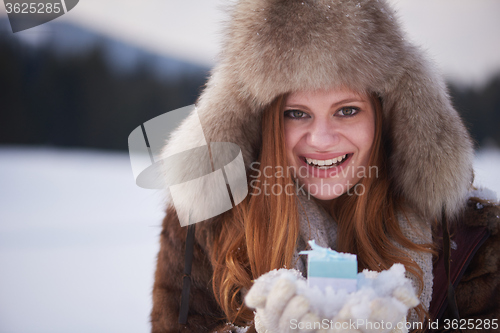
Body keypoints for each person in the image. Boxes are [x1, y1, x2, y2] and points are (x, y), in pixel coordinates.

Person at [151, 0, 500, 332]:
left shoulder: (469, 238)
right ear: (265, 123)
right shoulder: (207, 231)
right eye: (296, 113)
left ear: (388, 116)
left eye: (347, 110)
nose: (320, 139)